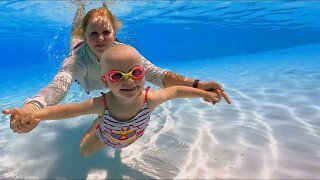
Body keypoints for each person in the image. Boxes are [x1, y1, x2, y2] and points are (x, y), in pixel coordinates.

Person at [7, 2, 231, 134]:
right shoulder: (76, 58)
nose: (100, 39)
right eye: (93, 34)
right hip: (77, 51)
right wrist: (32, 107)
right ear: (85, 36)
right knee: (75, 27)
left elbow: (160, 75)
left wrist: (198, 84)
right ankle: (80, 6)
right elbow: (58, 86)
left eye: (106, 32)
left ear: (115, 34)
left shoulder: (126, 54)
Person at [3, 44, 222, 157]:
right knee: (84, 152)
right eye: (117, 76)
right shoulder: (103, 104)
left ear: (143, 74)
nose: (129, 81)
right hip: (105, 136)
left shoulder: (150, 98)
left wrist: (203, 92)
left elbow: (175, 92)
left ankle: (98, 123)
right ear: (106, 81)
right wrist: (34, 113)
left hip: (129, 137)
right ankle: (95, 126)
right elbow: (69, 111)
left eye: (135, 73)